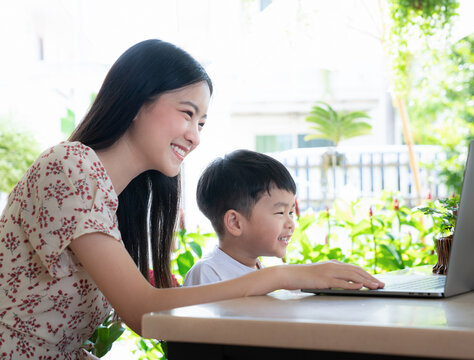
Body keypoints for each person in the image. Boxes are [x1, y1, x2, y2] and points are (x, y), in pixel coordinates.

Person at [0, 39, 383, 359]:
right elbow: (141, 310)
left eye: (201, 123)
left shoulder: (116, 198)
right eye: (187, 114)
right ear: (136, 102)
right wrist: (281, 276)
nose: (195, 137)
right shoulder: (71, 167)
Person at [184, 149, 296, 286]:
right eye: (280, 212)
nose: (291, 224)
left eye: (291, 212)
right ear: (235, 222)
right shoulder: (208, 273)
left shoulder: (257, 268)